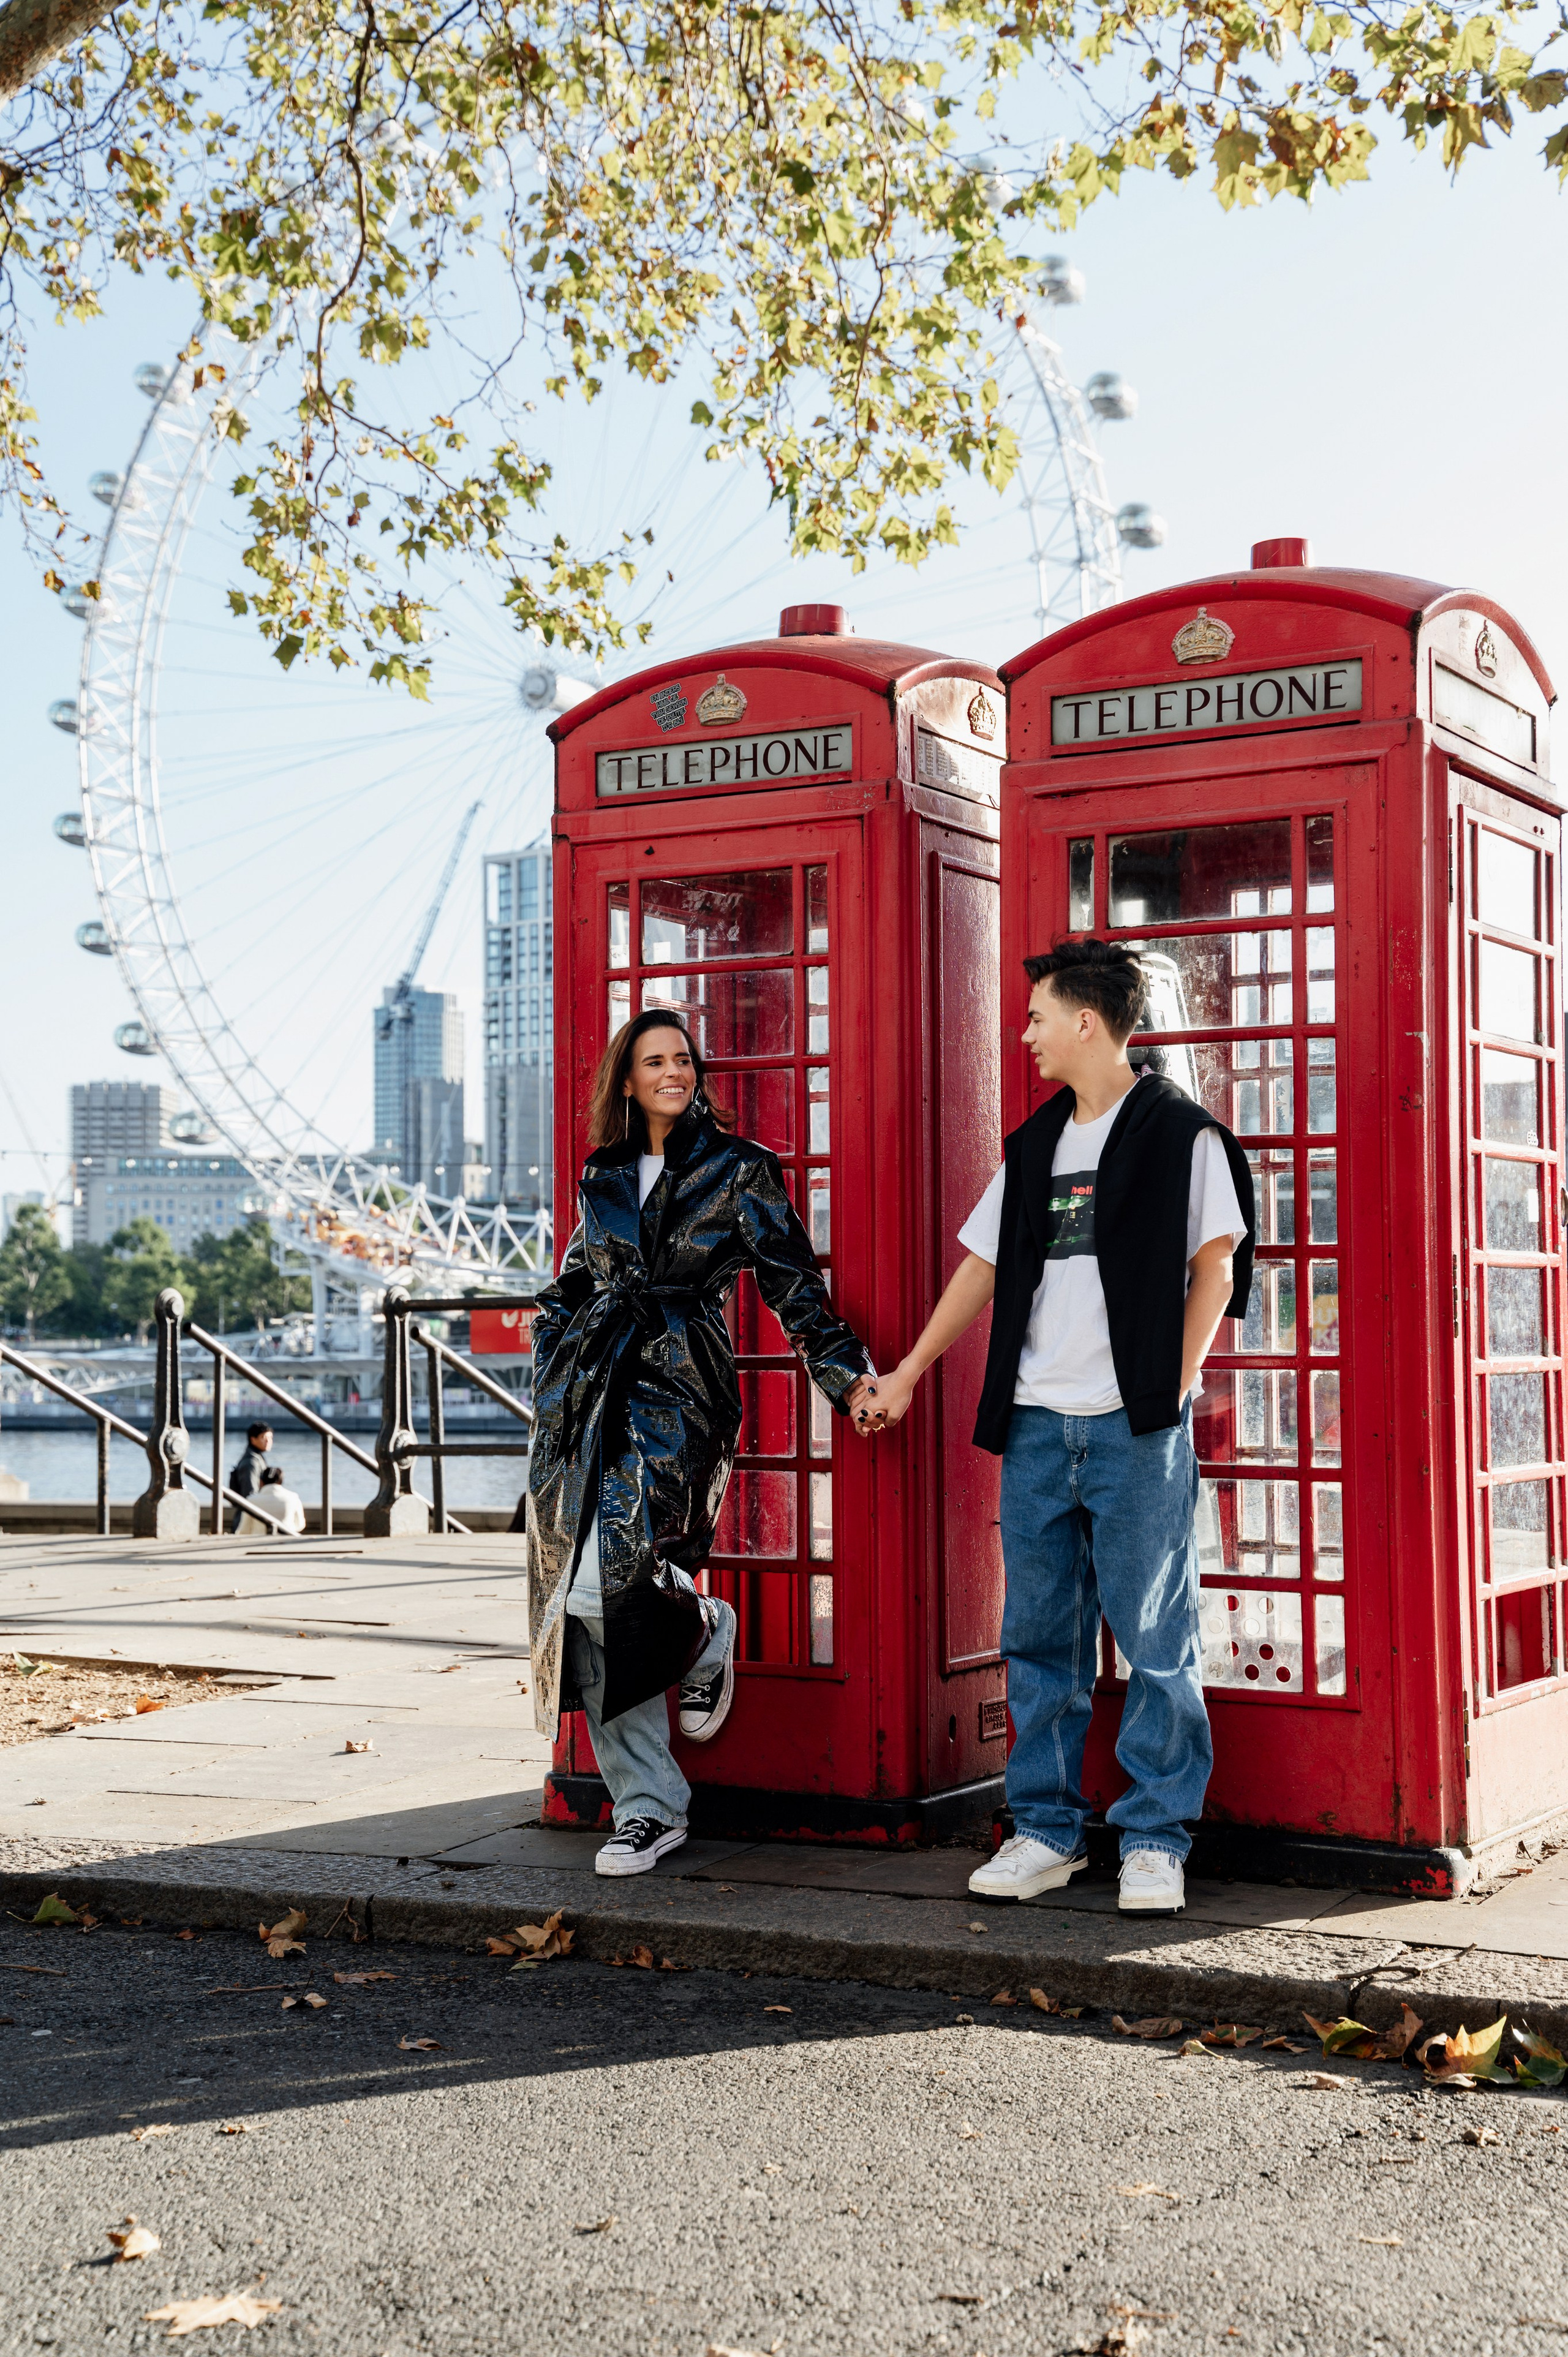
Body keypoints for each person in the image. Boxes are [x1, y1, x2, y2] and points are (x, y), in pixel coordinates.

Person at [855, 940, 1254, 1917]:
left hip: (1133, 1426)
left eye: (1037, 1017)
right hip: (1037, 1423)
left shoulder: (1183, 1135)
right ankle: (1046, 1830)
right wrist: (908, 1373)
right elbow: (983, 1267)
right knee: (1036, 1640)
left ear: (1086, 1021)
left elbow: (1217, 1266)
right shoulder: (1035, 1143)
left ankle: (1155, 1837)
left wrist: (1171, 1385)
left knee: (1156, 1636)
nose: (1026, 1033)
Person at [527, 1008, 874, 1878]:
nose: (674, 1073)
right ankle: (646, 1807)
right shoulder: (603, 1172)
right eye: (655, 1062)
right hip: (589, 1392)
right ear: (628, 1079)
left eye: (683, 1059)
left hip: (681, 1386)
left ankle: (705, 1621)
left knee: (617, 1583)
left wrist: (846, 1379)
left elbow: (795, 1286)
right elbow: (573, 1282)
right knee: (581, 1605)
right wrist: (550, 1358)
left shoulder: (740, 1168)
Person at [238, 1463, 307, 1537]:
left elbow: (245, 1529)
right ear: (281, 1481)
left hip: (259, 1543)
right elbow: (300, 1525)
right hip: (286, 1541)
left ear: (261, 1482)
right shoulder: (293, 1497)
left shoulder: (251, 1500)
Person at [228, 1422, 273, 1534]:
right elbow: (250, 1495)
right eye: (264, 1437)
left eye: (270, 1438)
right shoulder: (251, 1463)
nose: (268, 1441)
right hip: (248, 1521)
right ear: (253, 1439)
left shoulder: (255, 1458)